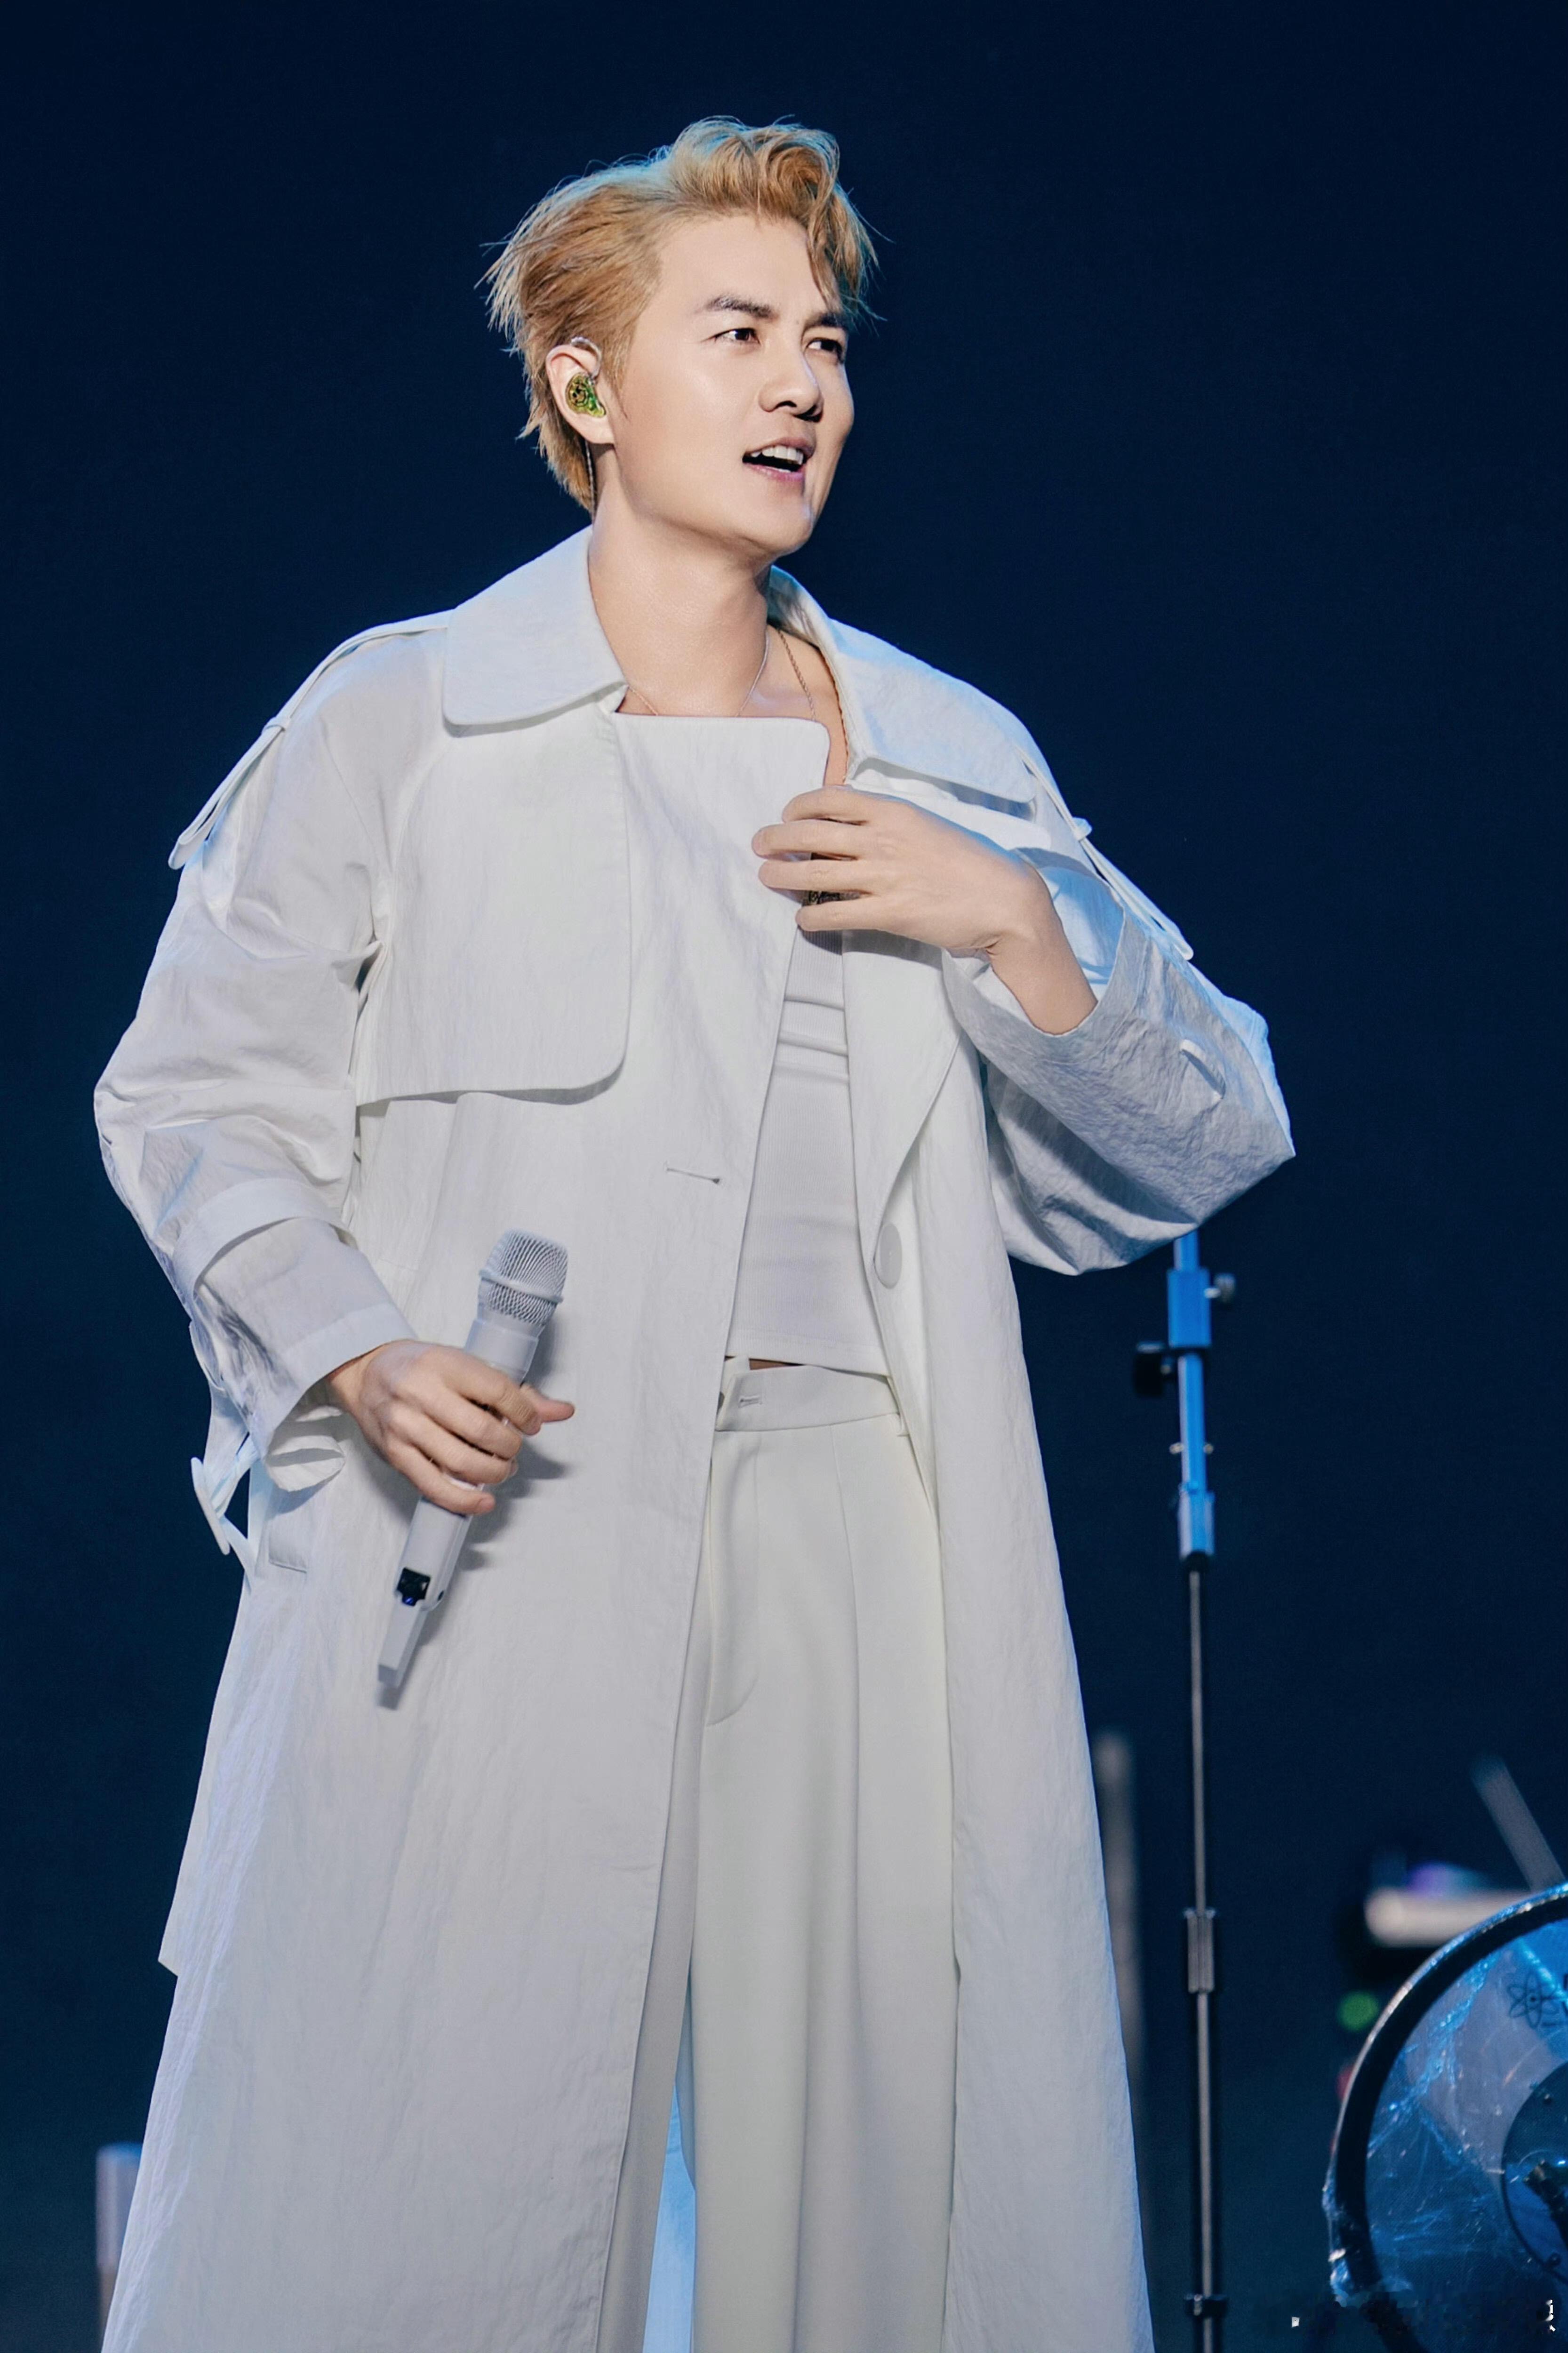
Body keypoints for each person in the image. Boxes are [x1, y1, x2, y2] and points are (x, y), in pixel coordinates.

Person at [96, 119, 1291, 2353]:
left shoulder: (942, 750)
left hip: (856, 1520)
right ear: (584, 382)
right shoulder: (407, 717)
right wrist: (351, 1342)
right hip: (506, 1514)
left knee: (858, 2140)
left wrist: (1016, 920)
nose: (798, 384)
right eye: (733, 332)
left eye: (820, 339)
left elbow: (1213, 1125)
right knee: (432, 2139)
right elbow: (190, 1096)